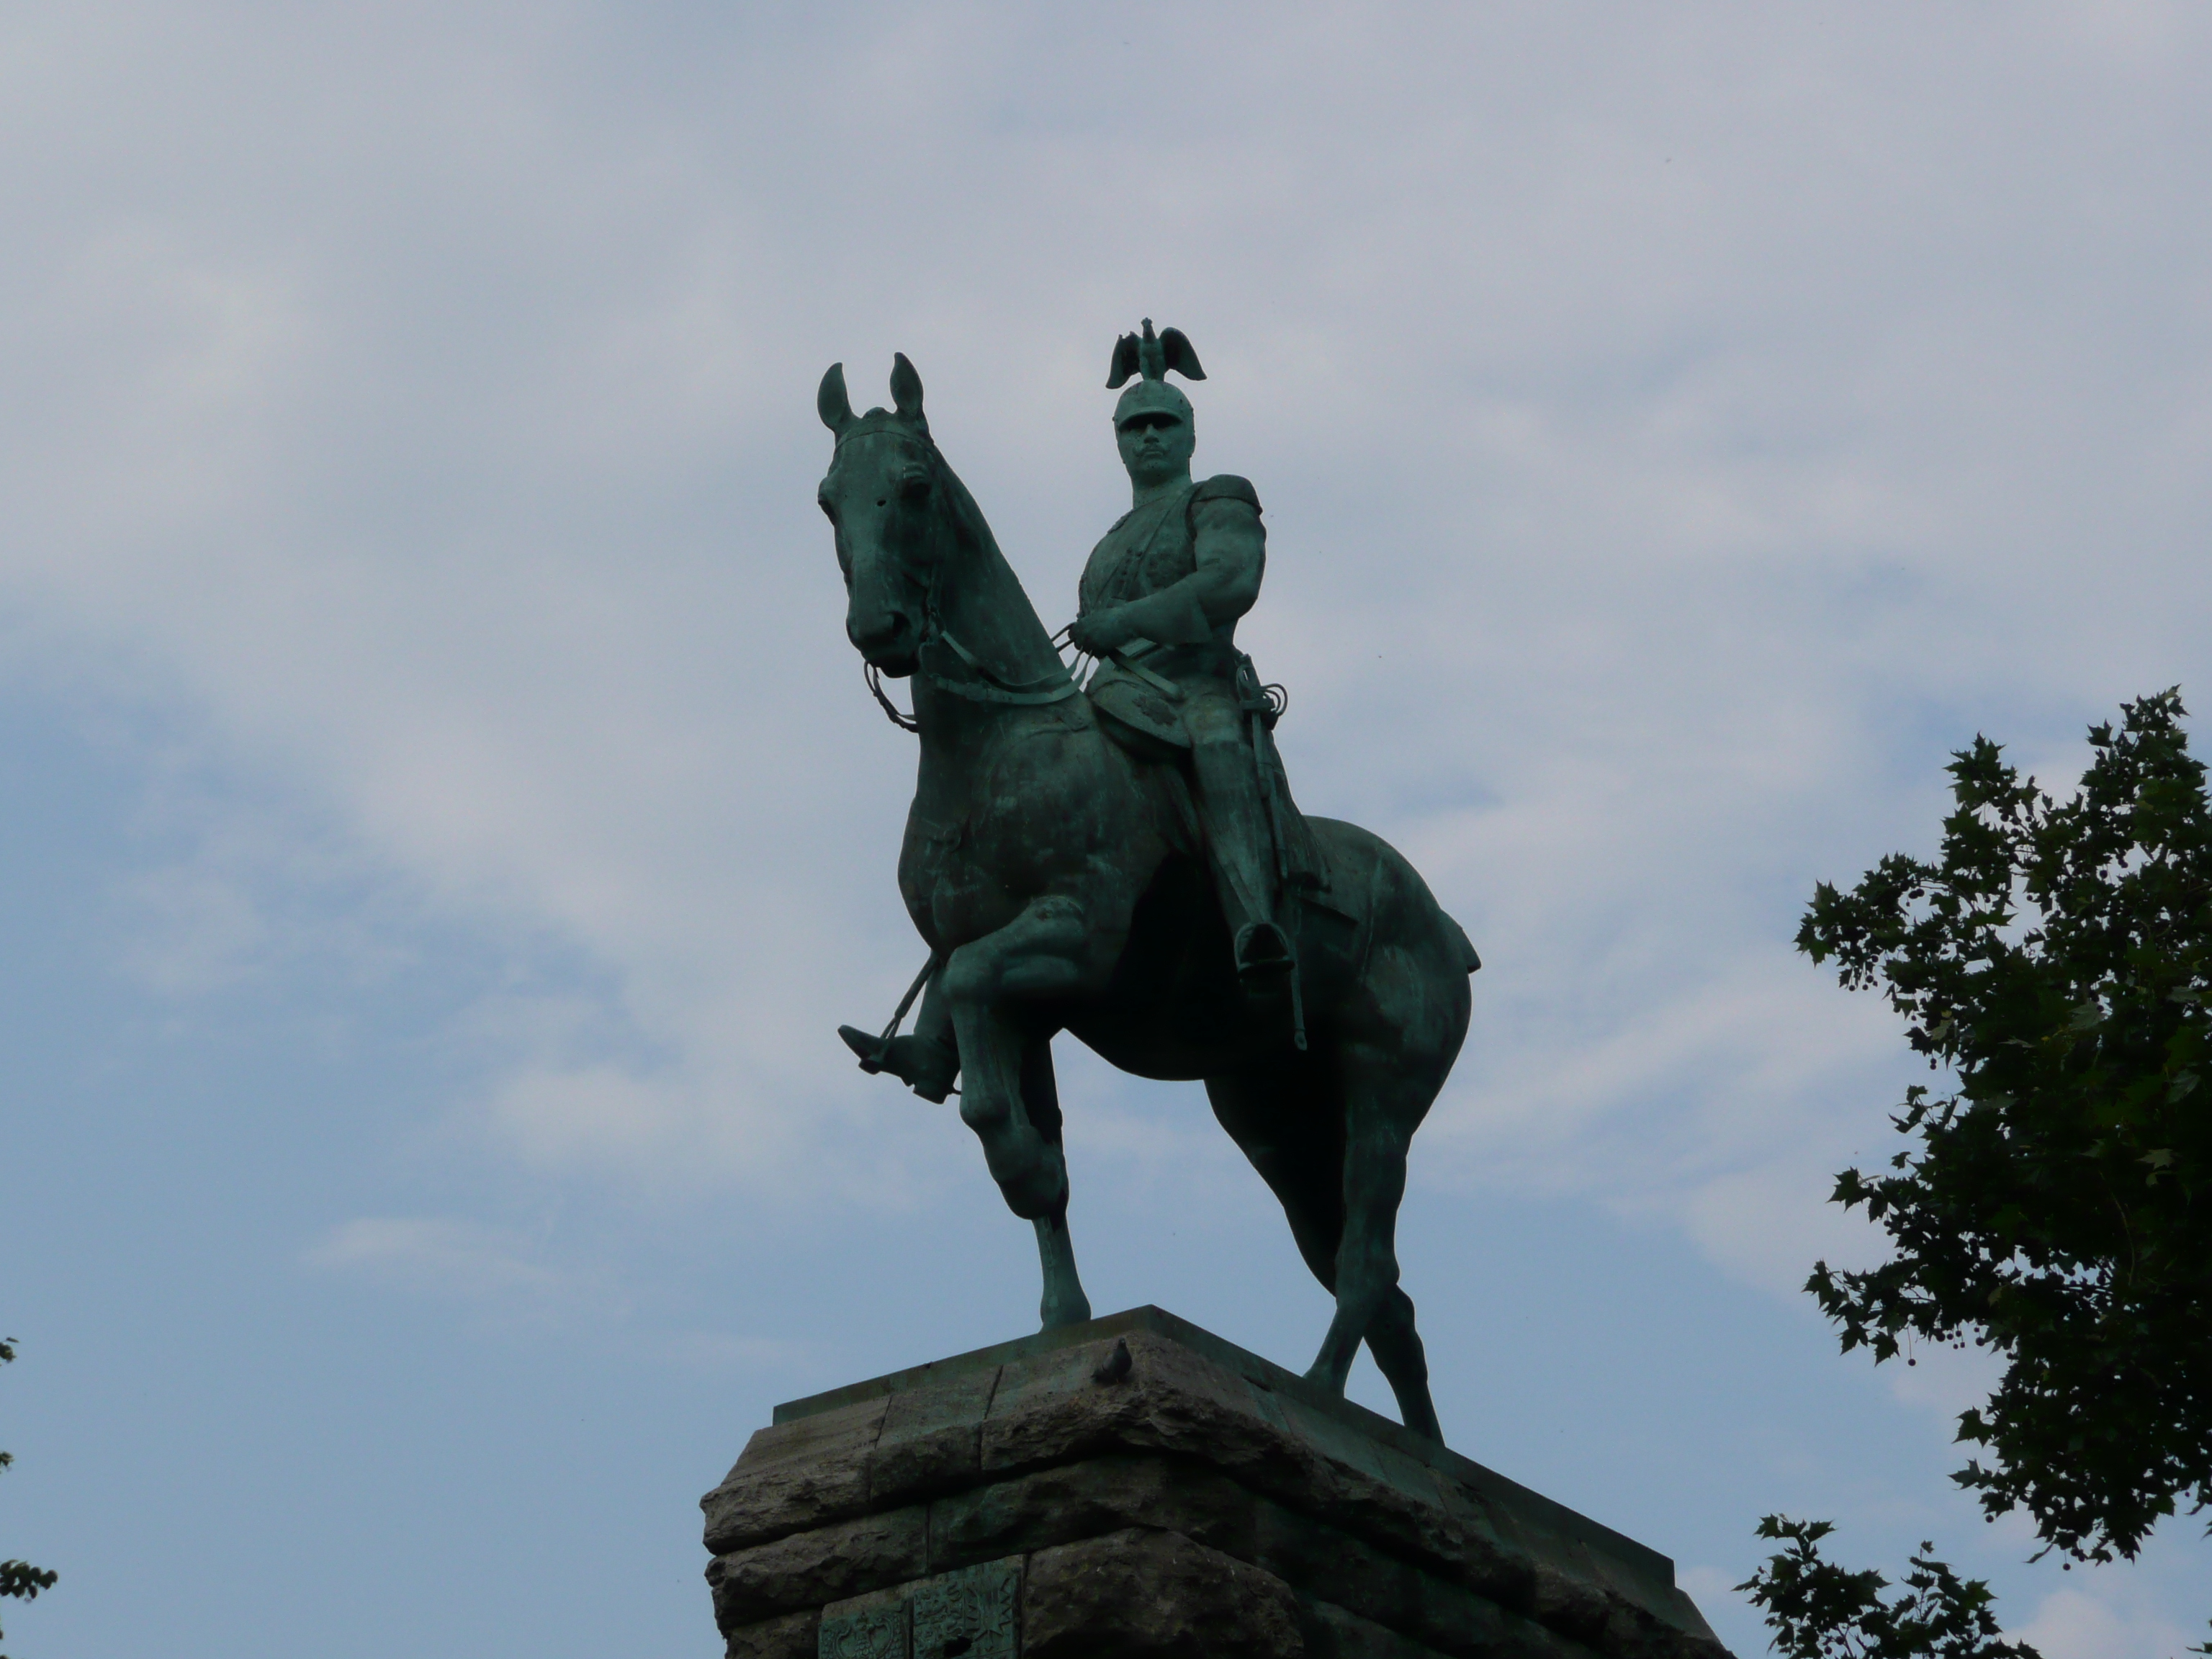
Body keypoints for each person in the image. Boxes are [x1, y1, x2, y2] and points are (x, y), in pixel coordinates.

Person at [1067, 320, 1310, 986]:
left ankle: (1255, 921)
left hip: (1194, 687)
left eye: (1162, 425)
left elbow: (1230, 582)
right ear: (1117, 443)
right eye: (1134, 427)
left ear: (1189, 435)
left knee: (1216, 744)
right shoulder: (1106, 545)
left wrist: (1122, 620)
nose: (1149, 436)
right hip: (1114, 697)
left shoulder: (1220, 496)